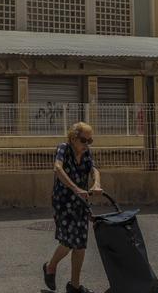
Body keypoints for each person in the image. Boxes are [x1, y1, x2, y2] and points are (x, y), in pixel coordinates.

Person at [43, 122, 102, 293]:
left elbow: (94, 169)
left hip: (81, 203)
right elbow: (58, 168)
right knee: (69, 241)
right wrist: (75, 188)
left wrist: (97, 183)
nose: (87, 144)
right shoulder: (64, 148)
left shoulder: (86, 152)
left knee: (80, 245)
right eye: (84, 140)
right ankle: (50, 267)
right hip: (63, 201)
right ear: (73, 138)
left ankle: (74, 286)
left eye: (90, 141)